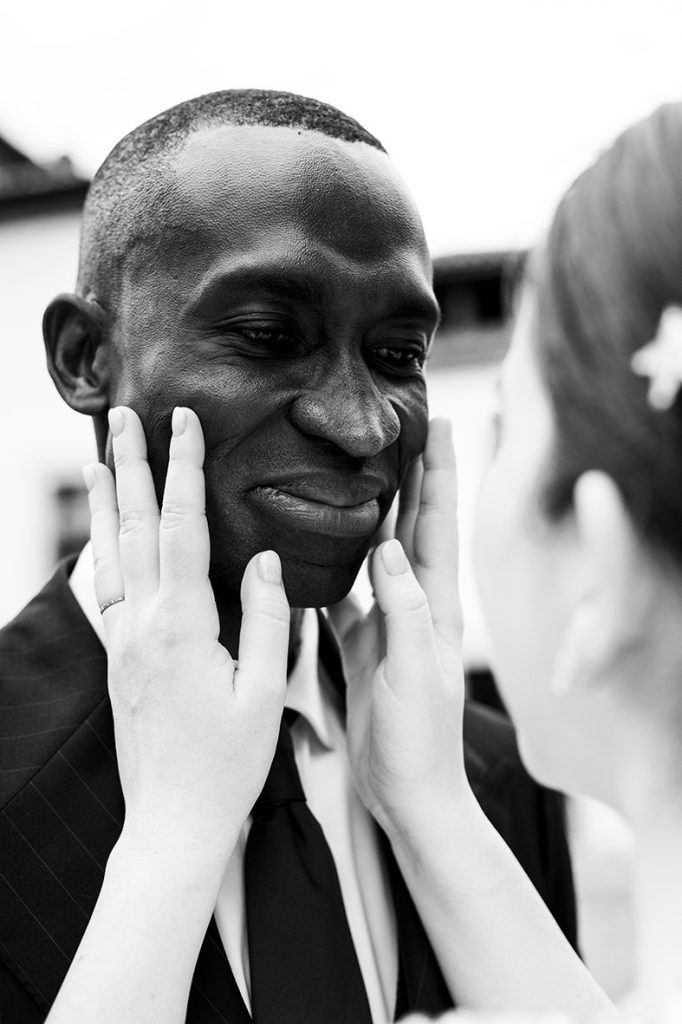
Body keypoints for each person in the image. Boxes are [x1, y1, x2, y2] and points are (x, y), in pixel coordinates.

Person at [0, 90, 577, 1023]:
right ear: (84, 358)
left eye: (399, 354)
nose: (362, 426)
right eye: (269, 338)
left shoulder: (495, 780)